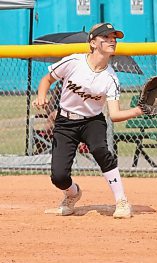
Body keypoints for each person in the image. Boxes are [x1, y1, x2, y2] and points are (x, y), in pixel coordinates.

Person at [33, 22, 144, 219]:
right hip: (65, 122)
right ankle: (72, 194)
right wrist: (42, 95)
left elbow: (115, 115)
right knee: (58, 177)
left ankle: (122, 201)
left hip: (92, 121)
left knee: (101, 151)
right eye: (107, 37)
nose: (112, 41)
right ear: (93, 43)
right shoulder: (74, 62)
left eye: (114, 38)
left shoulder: (111, 79)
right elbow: (47, 80)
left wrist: (138, 110)